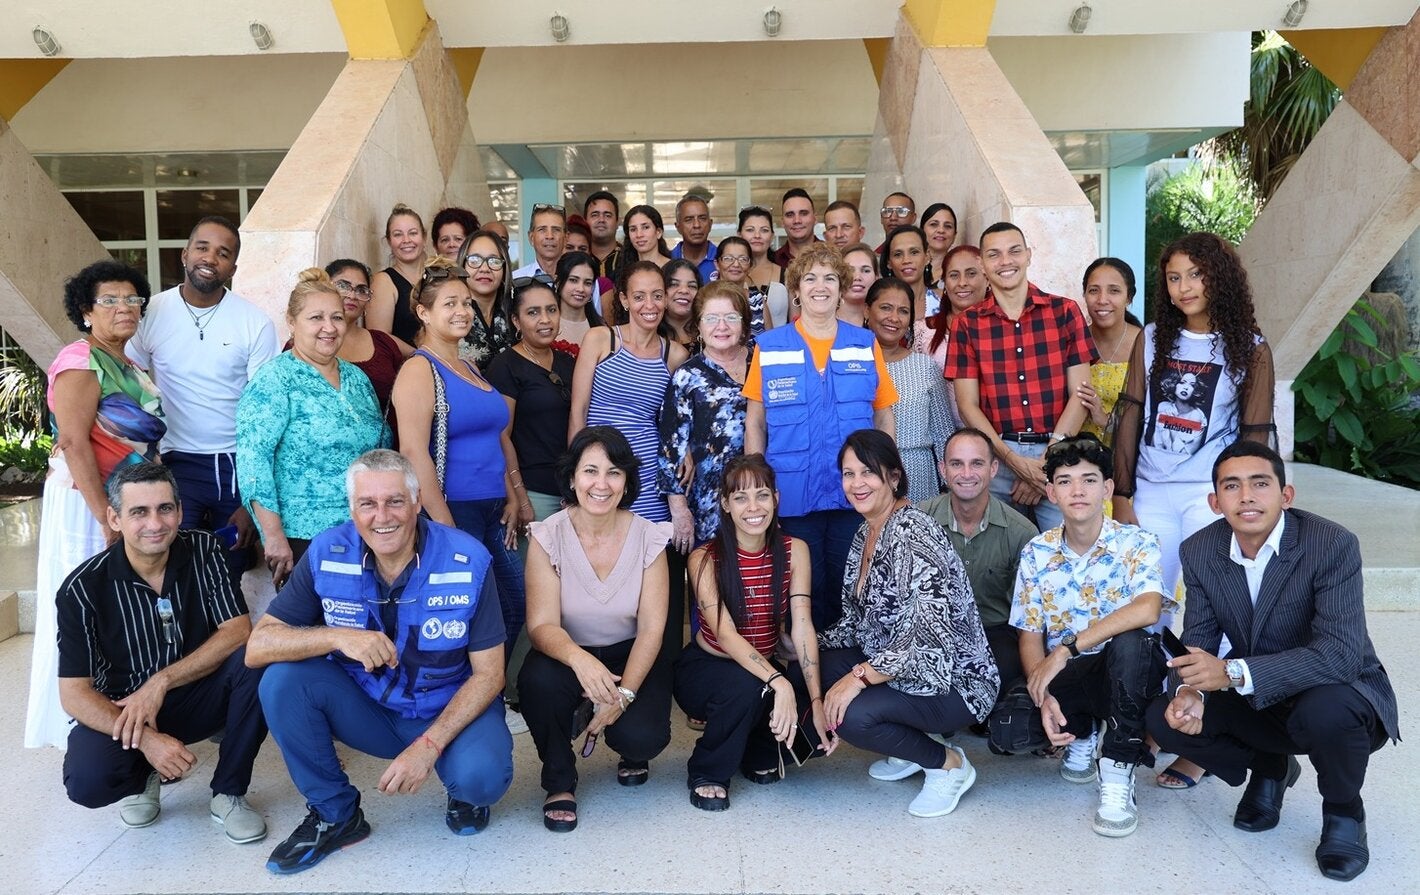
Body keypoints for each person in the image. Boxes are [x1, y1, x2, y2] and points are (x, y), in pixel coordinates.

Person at [248, 450, 513, 872]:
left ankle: (459, 786)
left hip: (446, 706)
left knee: (481, 780)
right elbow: (258, 647)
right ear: (352, 510)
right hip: (368, 707)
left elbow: (490, 675)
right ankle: (336, 815)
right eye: (367, 504)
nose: (381, 516)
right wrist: (337, 636)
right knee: (281, 681)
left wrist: (429, 746)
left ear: (417, 502)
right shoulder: (326, 551)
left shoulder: (467, 559)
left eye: (394, 501)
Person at [1146, 441, 1399, 883]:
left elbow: (1340, 656)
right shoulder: (1201, 549)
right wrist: (1189, 691)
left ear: (1286, 495)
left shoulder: (1332, 544)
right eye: (1232, 486)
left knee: (1326, 711)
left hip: (1337, 690)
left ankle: (1344, 812)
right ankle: (1273, 767)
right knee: (1166, 718)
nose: (1247, 496)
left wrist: (1232, 673)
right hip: (1257, 691)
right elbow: (1201, 638)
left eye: (1260, 484)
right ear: (1214, 501)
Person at [56, 463, 266, 839]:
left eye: (165, 508)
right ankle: (143, 776)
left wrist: (161, 681)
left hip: (198, 691)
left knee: (259, 664)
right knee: (88, 780)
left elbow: (237, 633)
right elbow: (74, 693)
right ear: (114, 518)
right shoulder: (82, 589)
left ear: (179, 512)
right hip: (126, 711)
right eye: (139, 512)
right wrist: (147, 742)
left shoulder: (204, 549)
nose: (155, 523)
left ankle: (229, 792)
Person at [820, 429, 999, 817]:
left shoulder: (913, 533)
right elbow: (857, 622)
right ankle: (907, 747)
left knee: (851, 716)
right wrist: (805, 643)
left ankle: (948, 764)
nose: (856, 484)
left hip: (955, 679)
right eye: (848, 474)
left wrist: (858, 678)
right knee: (822, 663)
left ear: (894, 477)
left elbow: (926, 640)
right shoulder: (866, 532)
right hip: (902, 667)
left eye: (867, 473)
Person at [27, 260, 165, 750]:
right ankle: (83, 725)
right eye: (110, 300)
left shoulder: (128, 364)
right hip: (91, 506)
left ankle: (126, 717)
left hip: (128, 503)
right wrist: (102, 517)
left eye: (132, 300)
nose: (124, 308)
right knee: (85, 611)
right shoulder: (81, 359)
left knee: (122, 611)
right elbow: (74, 441)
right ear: (86, 311)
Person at [1011, 433, 1169, 838]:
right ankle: (1080, 730)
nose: (1077, 490)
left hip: (1128, 670)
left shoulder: (1138, 541)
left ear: (1108, 488)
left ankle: (1117, 766)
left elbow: (1148, 608)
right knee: (1008, 731)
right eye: (1065, 481)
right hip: (1073, 678)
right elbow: (1030, 635)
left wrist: (1066, 648)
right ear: (1050, 491)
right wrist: (1043, 693)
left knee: (1132, 642)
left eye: (1089, 479)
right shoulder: (1036, 552)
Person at [518, 427, 674, 831]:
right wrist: (582, 662)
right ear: (572, 478)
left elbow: (653, 630)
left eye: (614, 472)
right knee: (537, 681)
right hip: (567, 653)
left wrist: (621, 696)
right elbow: (540, 625)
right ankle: (559, 778)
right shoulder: (548, 535)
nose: (601, 484)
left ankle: (624, 741)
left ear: (627, 482)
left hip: (629, 654)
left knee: (644, 738)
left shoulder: (649, 536)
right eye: (590, 471)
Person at [1113, 233, 1275, 614]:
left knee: (1218, 603)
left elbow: (1255, 434)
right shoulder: (1151, 338)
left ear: (1218, 278)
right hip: (1152, 491)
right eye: (1173, 277)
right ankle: (1152, 676)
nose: (1184, 287)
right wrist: (1121, 494)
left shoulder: (1251, 349)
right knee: (1146, 604)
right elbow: (1131, 412)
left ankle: (1213, 675)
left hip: (1209, 494)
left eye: (1195, 274)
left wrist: (1248, 496)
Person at [743, 243, 898, 631]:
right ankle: (807, 679)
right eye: (810, 277)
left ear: (842, 287)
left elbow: (884, 415)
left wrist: (884, 480)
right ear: (795, 288)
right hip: (793, 497)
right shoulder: (770, 346)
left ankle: (850, 674)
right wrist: (759, 486)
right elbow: (755, 423)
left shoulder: (864, 344)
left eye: (830, 277)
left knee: (854, 592)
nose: (820, 286)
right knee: (803, 593)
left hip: (855, 496)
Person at [392, 258, 528, 681]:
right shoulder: (420, 369)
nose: (463, 312)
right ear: (424, 312)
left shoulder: (467, 366)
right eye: (450, 303)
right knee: (466, 608)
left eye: (467, 303)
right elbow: (414, 452)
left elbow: (496, 439)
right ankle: (460, 692)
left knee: (513, 601)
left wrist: (511, 495)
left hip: (492, 508)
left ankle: (484, 689)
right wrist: (445, 525)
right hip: (456, 511)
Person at [126, 216, 278, 586]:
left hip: (235, 463)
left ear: (233, 267)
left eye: (223, 253)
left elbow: (267, 412)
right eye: (203, 247)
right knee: (172, 564)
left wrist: (251, 501)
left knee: (232, 564)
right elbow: (128, 378)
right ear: (185, 254)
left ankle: (227, 643)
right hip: (176, 461)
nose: (211, 258)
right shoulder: (151, 314)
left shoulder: (254, 322)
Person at [674, 455, 832, 810]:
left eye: (761, 495)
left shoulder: (795, 550)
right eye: (741, 497)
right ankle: (709, 771)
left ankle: (754, 750)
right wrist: (780, 682)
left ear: (776, 499)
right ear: (725, 504)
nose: (753, 507)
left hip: (765, 665)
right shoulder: (705, 558)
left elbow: (802, 622)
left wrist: (817, 699)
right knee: (750, 687)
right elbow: (726, 636)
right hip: (708, 667)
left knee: (825, 724)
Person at [236, 269, 388, 586]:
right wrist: (273, 535)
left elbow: (379, 450)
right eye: (316, 318)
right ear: (292, 322)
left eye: (337, 317)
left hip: (365, 531)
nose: (329, 328)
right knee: (314, 633)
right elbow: (254, 462)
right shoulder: (275, 379)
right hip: (302, 538)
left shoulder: (357, 379)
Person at [946, 222, 1095, 532]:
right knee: (996, 564)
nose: (1005, 261)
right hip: (998, 460)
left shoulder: (1065, 312)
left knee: (1066, 556)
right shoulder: (967, 325)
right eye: (994, 254)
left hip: (1059, 453)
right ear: (983, 265)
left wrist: (1045, 461)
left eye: (1014, 251)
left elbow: (1081, 395)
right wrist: (1014, 461)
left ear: (1028, 255)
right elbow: (967, 405)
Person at [486, 277, 579, 731]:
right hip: (534, 495)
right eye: (533, 312)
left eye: (550, 310)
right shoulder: (506, 366)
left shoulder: (566, 360)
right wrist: (517, 495)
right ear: (516, 320)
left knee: (561, 597)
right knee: (531, 596)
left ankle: (541, 684)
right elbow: (500, 435)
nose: (544, 319)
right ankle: (510, 692)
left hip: (572, 496)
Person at [919, 428, 1037, 715]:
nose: (966, 473)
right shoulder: (919, 522)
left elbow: (1029, 616)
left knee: (1000, 701)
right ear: (942, 469)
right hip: (935, 633)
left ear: (994, 468)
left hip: (993, 633)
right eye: (957, 464)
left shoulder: (1022, 533)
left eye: (977, 463)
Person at [660, 282, 752, 547]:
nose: (721, 326)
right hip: (709, 506)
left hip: (761, 500)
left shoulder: (762, 363)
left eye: (731, 317)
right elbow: (671, 449)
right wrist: (679, 511)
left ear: (744, 324)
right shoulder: (688, 375)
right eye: (711, 318)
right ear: (698, 326)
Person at [866, 278, 951, 502]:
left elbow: (944, 435)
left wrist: (949, 489)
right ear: (867, 310)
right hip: (865, 477)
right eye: (885, 308)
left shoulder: (925, 367)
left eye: (903, 311)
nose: (894, 318)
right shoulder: (851, 364)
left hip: (919, 478)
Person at [324, 260, 408, 431]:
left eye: (362, 290)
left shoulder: (383, 343)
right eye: (343, 285)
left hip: (381, 449)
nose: (352, 295)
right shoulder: (307, 343)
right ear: (325, 287)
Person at [1078, 258, 1141, 446]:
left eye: (1114, 291)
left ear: (1129, 297)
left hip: (1128, 458)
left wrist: (1105, 420)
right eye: (1093, 290)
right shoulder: (1074, 340)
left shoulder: (1146, 345)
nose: (1102, 300)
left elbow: (1155, 417)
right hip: (1077, 460)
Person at [367, 204, 428, 351]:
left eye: (413, 233)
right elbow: (380, 337)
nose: (406, 240)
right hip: (406, 367)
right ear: (389, 241)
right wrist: (423, 357)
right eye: (398, 234)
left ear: (424, 238)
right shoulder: (383, 281)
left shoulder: (439, 275)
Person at [456, 228, 517, 368]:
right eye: (475, 260)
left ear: (504, 267)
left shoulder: (516, 310)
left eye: (494, 261)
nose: (484, 268)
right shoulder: (450, 313)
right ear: (462, 264)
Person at [714, 235, 778, 336]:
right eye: (728, 258)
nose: (736, 264)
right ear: (717, 264)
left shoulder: (758, 301)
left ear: (750, 266)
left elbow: (769, 343)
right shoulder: (706, 298)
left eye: (743, 259)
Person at [738, 205, 788, 327]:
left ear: (771, 235)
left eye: (764, 230)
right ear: (739, 235)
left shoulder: (787, 274)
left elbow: (795, 320)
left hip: (780, 345)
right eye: (750, 230)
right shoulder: (731, 273)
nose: (757, 235)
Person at [881, 225, 939, 323]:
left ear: (927, 256)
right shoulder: (878, 304)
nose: (906, 260)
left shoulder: (944, 301)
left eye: (914, 252)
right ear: (889, 262)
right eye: (898, 254)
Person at [612, 205, 672, 293]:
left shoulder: (673, 269)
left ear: (658, 232)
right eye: (633, 229)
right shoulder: (623, 271)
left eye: (646, 227)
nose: (639, 234)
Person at [554, 250, 602, 349]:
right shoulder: (545, 324)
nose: (581, 289)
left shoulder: (601, 328)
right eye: (573, 280)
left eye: (587, 283)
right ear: (558, 282)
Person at [512, 203, 567, 281]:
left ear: (565, 238)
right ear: (531, 238)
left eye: (556, 230)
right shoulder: (515, 279)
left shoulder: (577, 280)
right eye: (542, 230)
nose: (550, 236)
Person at [671, 194, 718, 282]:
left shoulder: (722, 259)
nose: (697, 225)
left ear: (710, 224)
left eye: (702, 218)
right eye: (689, 220)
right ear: (678, 227)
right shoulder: (668, 260)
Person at [771, 188, 819, 269]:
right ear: (782, 222)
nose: (797, 220)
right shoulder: (773, 261)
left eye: (803, 213)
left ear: (815, 218)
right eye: (790, 215)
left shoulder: (833, 257)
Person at [662, 258, 701, 354]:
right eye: (674, 284)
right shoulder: (649, 333)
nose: (684, 290)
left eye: (692, 286)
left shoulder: (709, 331)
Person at [920, 203, 959, 294]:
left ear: (954, 235)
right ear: (921, 231)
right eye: (934, 224)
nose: (941, 230)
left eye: (948, 226)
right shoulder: (909, 267)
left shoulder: (958, 271)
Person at [840, 242, 879, 327]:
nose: (857, 277)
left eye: (866, 271)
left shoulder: (883, 322)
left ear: (876, 277)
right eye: (849, 270)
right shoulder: (824, 320)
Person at [582, 190, 621, 277]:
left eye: (607, 215)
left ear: (617, 222)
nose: (601, 220)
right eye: (595, 215)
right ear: (585, 221)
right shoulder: (576, 256)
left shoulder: (630, 258)